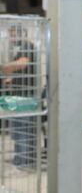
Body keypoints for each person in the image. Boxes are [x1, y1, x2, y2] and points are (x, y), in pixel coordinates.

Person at [1, 24, 37, 167]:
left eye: (13, 34)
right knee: (18, 130)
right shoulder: (20, 48)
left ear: (21, 34)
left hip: (25, 95)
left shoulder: (27, 46)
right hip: (19, 95)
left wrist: (4, 66)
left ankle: (24, 161)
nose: (11, 37)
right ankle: (20, 159)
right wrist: (10, 77)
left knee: (23, 130)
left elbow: (22, 64)